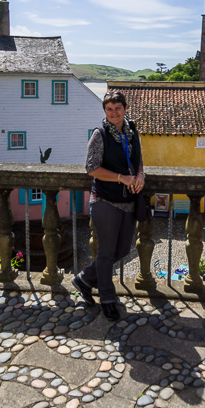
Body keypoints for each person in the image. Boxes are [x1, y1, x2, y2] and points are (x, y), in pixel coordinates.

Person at [73, 90, 145, 320]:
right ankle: (107, 298)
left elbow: (138, 159)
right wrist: (120, 178)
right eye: (109, 109)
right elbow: (91, 168)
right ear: (105, 111)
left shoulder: (132, 132)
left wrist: (141, 174)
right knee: (105, 252)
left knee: (123, 249)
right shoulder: (100, 134)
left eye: (118, 108)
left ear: (125, 109)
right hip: (104, 200)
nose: (114, 112)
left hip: (128, 200)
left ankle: (84, 279)